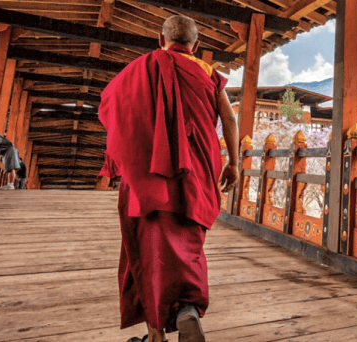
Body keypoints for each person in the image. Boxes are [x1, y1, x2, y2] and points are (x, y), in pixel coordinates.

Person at [99, 15, 240, 342]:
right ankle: (187, 306)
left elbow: (112, 110)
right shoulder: (208, 73)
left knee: (146, 250)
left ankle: (156, 334)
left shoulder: (140, 68)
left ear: (159, 39)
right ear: (197, 45)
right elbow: (230, 118)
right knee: (188, 240)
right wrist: (233, 162)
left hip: (148, 175)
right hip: (196, 172)